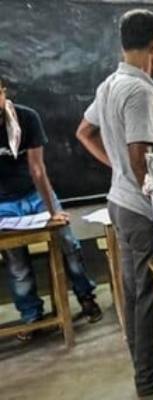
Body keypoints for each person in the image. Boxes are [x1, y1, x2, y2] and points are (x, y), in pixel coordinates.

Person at [75, 9, 153, 397]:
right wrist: (140, 178)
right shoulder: (140, 89)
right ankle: (151, 383)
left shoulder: (110, 84)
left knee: (134, 296)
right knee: (147, 300)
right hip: (142, 213)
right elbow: (139, 154)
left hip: (118, 202)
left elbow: (84, 132)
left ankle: (152, 372)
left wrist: (121, 171)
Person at [0, 78, 101, 340]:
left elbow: (37, 169)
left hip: (36, 194)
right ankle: (32, 317)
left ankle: (86, 297)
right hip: (3, 203)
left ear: (3, 92)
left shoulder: (26, 118)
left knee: (69, 245)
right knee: (17, 264)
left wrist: (51, 210)